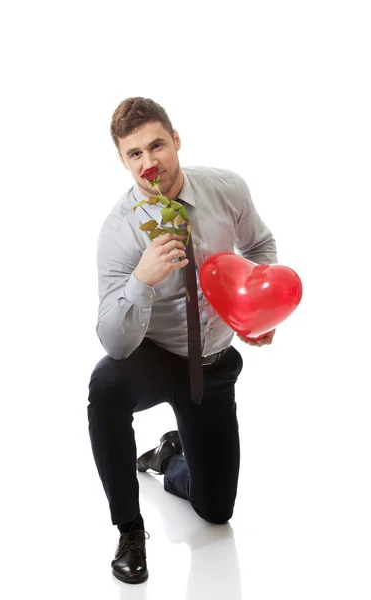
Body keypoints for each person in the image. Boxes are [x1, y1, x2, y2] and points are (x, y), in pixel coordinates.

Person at [87, 97, 277, 585]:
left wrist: (253, 313)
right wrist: (141, 280)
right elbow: (112, 337)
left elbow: (259, 246)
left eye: (156, 145)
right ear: (123, 161)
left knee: (216, 512)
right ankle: (129, 527)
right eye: (134, 154)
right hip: (155, 355)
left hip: (212, 362)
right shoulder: (118, 231)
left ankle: (171, 455)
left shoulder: (225, 188)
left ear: (176, 140)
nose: (149, 163)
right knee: (105, 385)